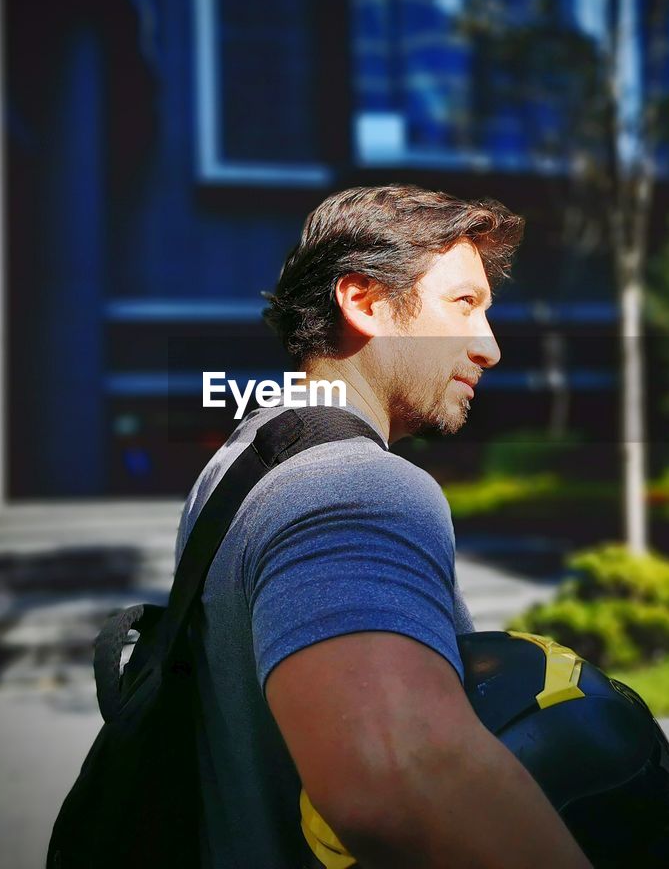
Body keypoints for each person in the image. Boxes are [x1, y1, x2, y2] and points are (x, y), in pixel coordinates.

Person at [177, 185, 591, 868]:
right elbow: (396, 778)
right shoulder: (353, 485)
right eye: (464, 305)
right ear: (364, 301)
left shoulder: (243, 459)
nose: (488, 346)